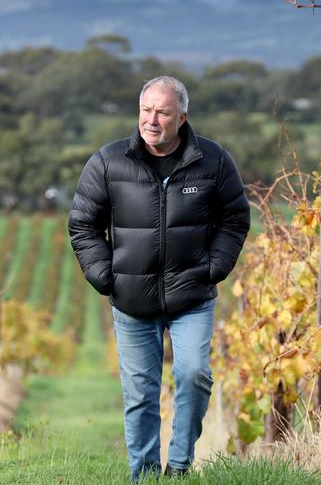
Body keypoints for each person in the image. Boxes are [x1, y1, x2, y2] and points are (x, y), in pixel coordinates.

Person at [68, 76, 250, 481]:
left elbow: (235, 219)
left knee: (193, 375)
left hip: (193, 296)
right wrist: (106, 277)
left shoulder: (215, 161)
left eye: (163, 112)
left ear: (182, 117)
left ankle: (180, 467)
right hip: (132, 300)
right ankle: (146, 476)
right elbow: (82, 224)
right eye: (146, 110)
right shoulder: (108, 161)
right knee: (140, 396)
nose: (152, 119)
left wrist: (213, 268)